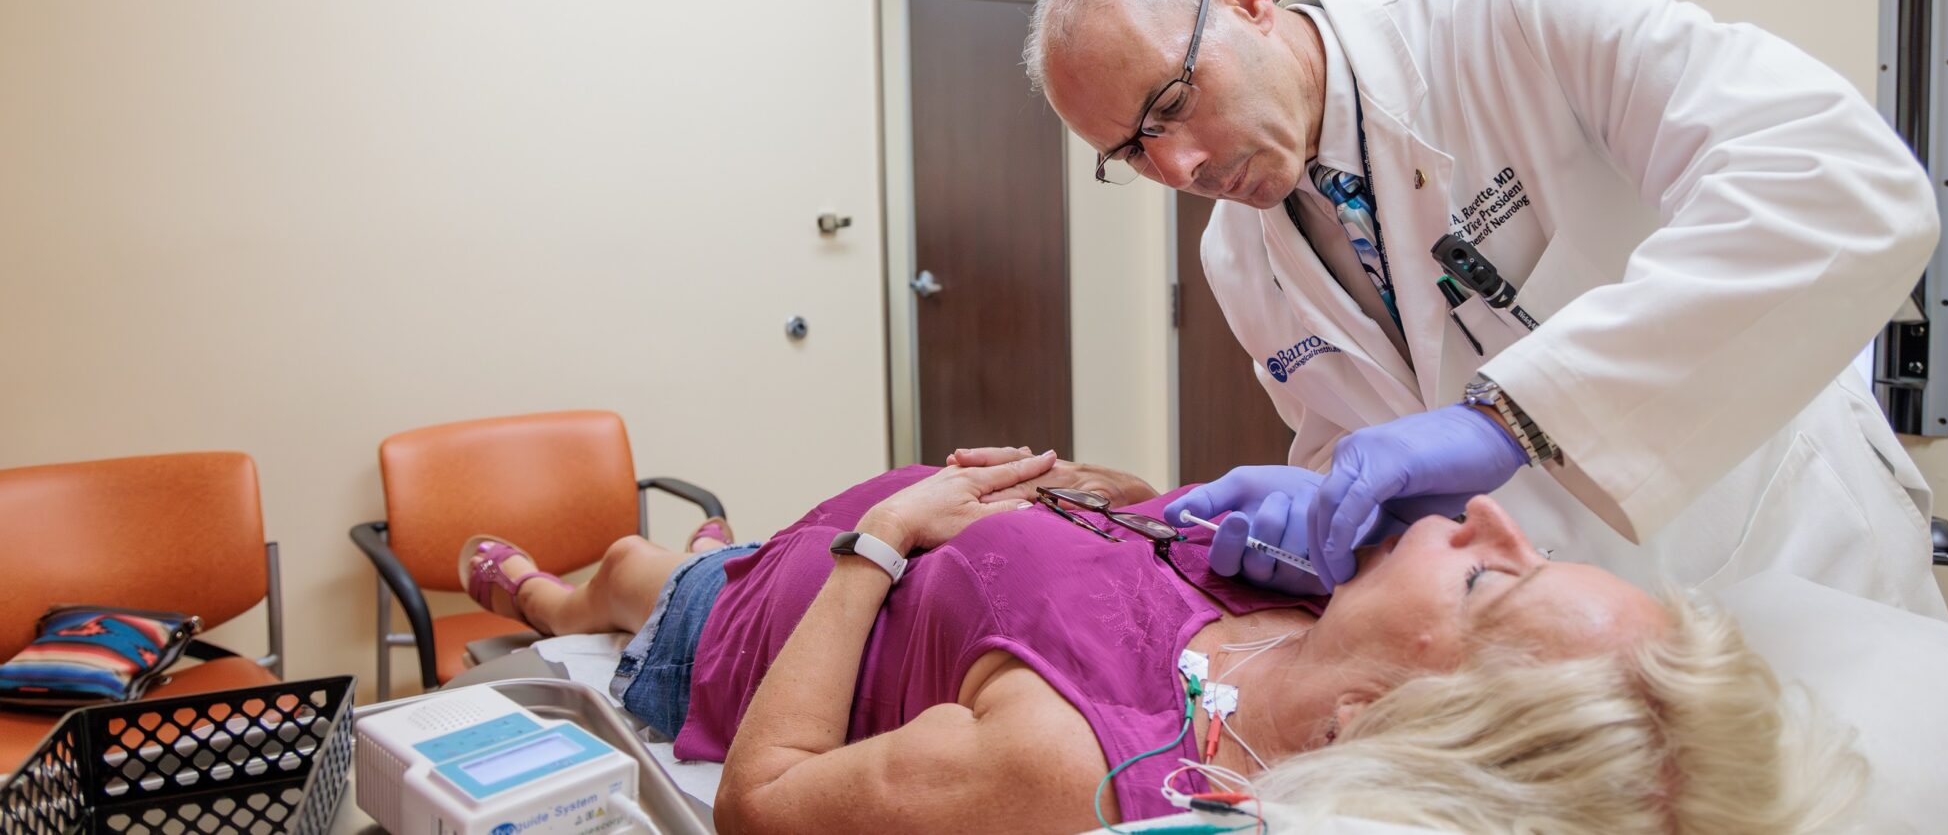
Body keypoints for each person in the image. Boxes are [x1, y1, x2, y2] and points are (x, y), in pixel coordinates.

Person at [1022, 0, 1945, 613]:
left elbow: (1840, 182)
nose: (1178, 168)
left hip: (1787, 556)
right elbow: (1367, 448)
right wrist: (1329, 509)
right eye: (1133, 151)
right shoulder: (1236, 255)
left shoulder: (1519, 10)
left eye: (1174, 103)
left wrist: (1513, 416)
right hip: (1572, 634)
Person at [458, 448, 1859, 835]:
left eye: (1497, 585)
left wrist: (882, 544)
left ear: (1398, 719)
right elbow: (1119, 582)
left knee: (642, 573)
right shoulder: (1311, 616)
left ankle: (551, 601)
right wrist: (1109, 496)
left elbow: (767, 802)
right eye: (1533, 548)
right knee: (695, 545)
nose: (1491, 515)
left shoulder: (1073, 764)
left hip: (770, 622)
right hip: (887, 532)